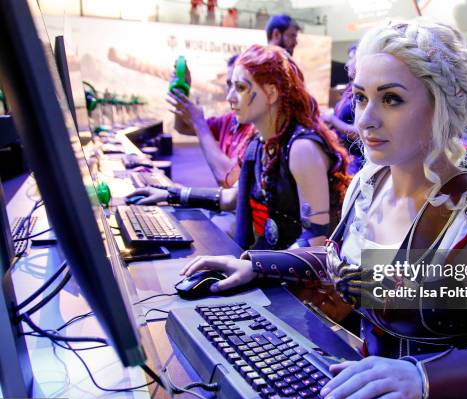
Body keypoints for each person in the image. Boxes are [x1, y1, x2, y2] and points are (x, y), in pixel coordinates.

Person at [180, 19, 467, 399]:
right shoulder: (369, 182)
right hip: (367, 391)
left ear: (443, 105)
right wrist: (254, 264)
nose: (365, 119)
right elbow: (342, 265)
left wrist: (418, 378)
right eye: (363, 97)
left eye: (391, 99)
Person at [131, 45, 350, 252]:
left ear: (271, 93)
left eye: (241, 88)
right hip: (269, 267)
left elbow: (316, 240)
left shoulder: (302, 148)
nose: (229, 97)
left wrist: (255, 266)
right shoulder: (258, 144)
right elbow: (232, 198)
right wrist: (170, 194)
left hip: (299, 285)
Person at [168, 54, 255, 189]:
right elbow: (182, 127)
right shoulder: (229, 120)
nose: (229, 96)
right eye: (229, 84)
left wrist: (199, 122)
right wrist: (182, 93)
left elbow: (228, 179)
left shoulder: (258, 130)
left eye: (240, 86)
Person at [322, 45, 362, 174]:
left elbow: (359, 133)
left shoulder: (363, 93)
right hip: (345, 159)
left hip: (357, 163)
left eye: (351, 58)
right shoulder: (350, 88)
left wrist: (332, 120)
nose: (347, 63)